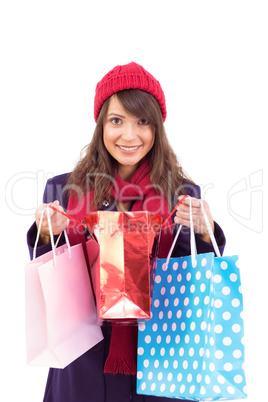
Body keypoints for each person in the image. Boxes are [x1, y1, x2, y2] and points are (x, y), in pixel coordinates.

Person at [27, 62, 226, 402]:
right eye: (117, 121)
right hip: (82, 359)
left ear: (157, 128)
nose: (130, 135)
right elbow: (51, 281)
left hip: (159, 360)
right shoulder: (64, 190)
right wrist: (47, 234)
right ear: (101, 125)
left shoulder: (181, 193)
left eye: (142, 122)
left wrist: (205, 233)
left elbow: (192, 277)